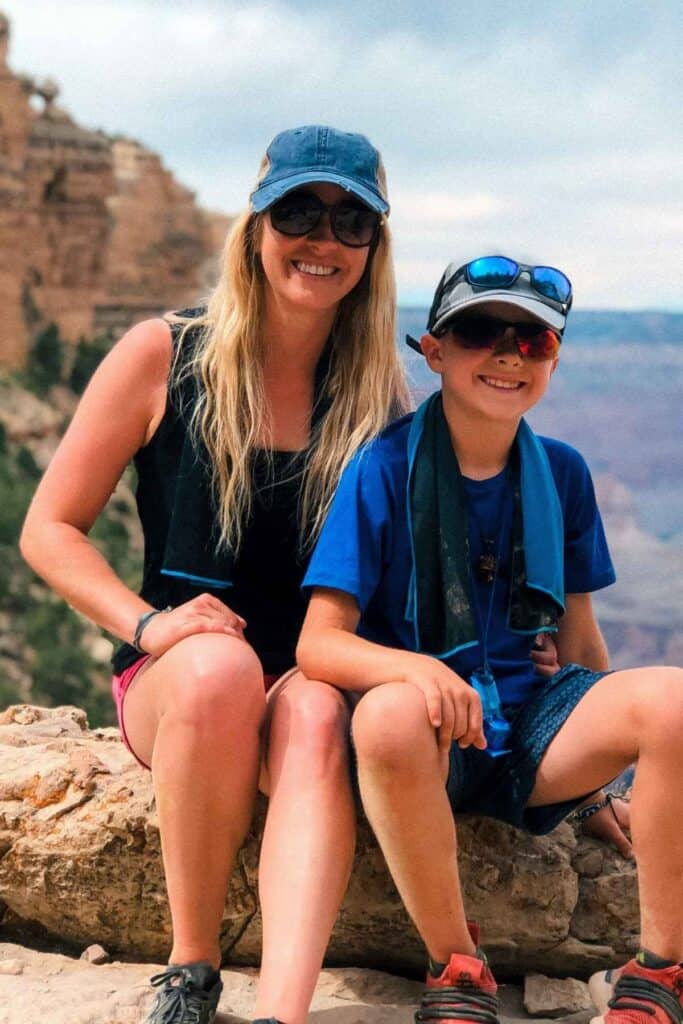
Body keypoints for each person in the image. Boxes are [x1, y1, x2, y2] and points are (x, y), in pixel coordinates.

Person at [20, 124, 409, 1024]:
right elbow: (49, 528)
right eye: (299, 212)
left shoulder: (376, 393)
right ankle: (190, 969)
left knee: (313, 705)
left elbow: (409, 577)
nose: (322, 240)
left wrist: (539, 726)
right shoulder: (166, 354)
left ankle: (282, 1012)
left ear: (373, 249)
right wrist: (147, 624)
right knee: (218, 666)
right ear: (257, 225)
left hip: (307, 677)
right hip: (181, 682)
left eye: (351, 223)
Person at [297, 256, 683, 1024]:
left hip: (529, 733)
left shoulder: (563, 475)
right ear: (433, 350)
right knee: (385, 713)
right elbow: (320, 643)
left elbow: (579, 645)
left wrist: (594, 789)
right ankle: (456, 965)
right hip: (425, 747)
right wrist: (415, 670)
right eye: (479, 331)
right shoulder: (383, 466)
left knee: (671, 698)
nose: (507, 354)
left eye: (532, 340)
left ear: (553, 357)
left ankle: (659, 970)